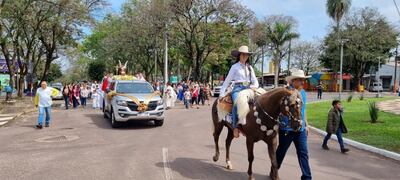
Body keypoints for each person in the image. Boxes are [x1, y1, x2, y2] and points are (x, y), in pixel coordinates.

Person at [276, 69, 312, 180]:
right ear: (293, 81)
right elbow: (279, 109)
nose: (302, 82)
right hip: (287, 129)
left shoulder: (303, 93)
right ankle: (274, 170)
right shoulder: (285, 92)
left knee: (303, 153)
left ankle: (307, 177)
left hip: (300, 129)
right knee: (281, 152)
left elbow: (303, 110)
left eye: (303, 80)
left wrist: (307, 124)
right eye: (300, 80)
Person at [219, 45, 259, 138]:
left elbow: (255, 81)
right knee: (237, 103)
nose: (245, 56)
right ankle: (235, 127)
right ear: (239, 55)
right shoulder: (234, 67)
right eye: (243, 54)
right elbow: (227, 81)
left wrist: (254, 87)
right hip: (237, 88)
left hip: (249, 88)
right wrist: (221, 94)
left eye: (247, 55)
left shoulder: (250, 67)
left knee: (260, 101)